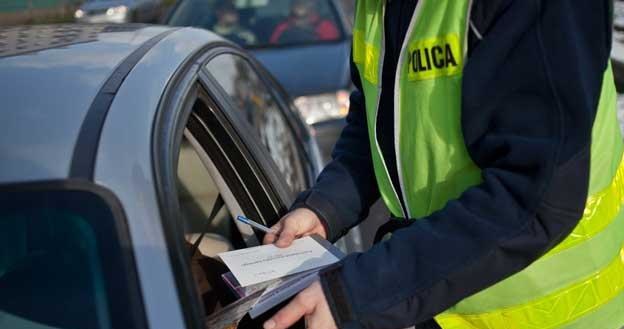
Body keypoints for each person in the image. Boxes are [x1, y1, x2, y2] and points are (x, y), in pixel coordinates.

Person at [262, 0, 623, 329]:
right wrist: (327, 206)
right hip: (442, 305)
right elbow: (378, 115)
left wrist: (361, 291)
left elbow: (538, 198)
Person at [269, 0, 339, 44]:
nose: (301, 3)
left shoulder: (326, 26)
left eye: (305, 1)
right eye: (297, 2)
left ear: (313, 5)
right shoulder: (282, 27)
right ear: (292, 6)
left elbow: (332, 49)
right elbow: (272, 49)